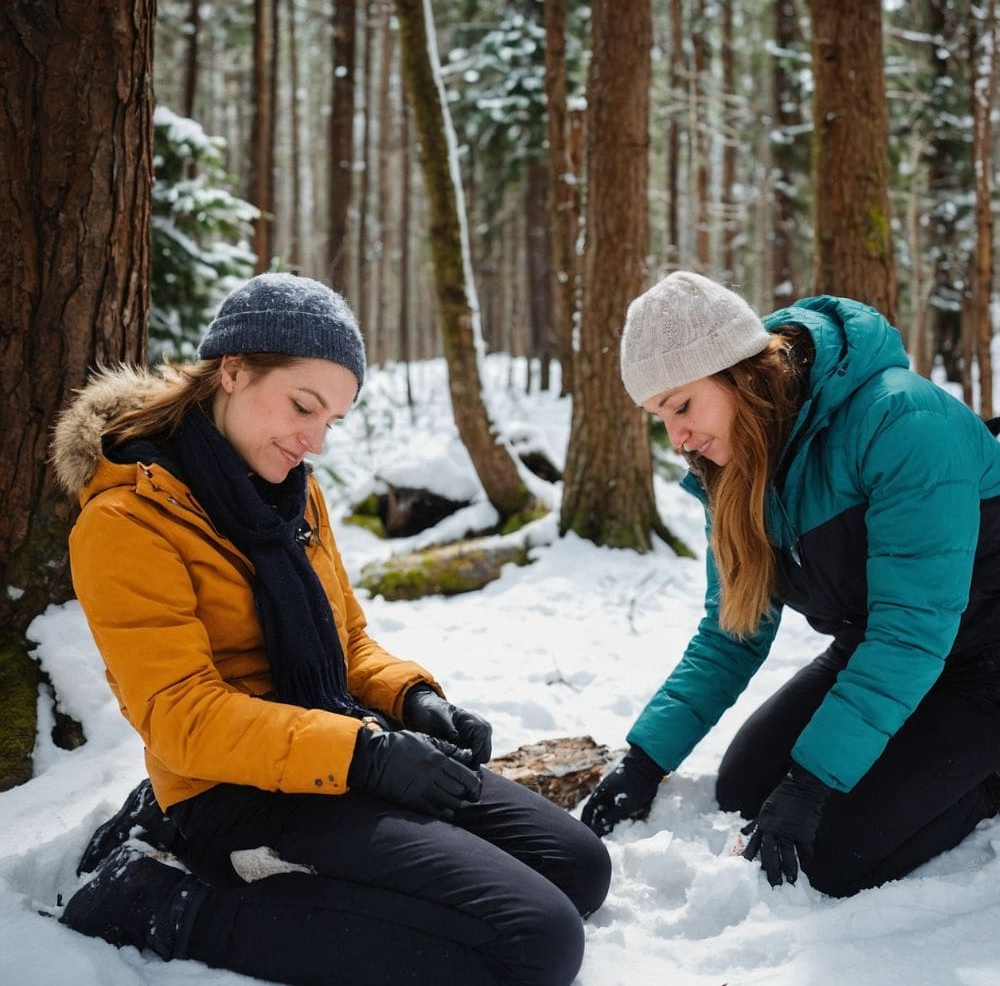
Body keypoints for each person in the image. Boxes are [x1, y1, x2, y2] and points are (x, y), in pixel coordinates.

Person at [53, 272, 610, 986]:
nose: (314, 442)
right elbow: (181, 718)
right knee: (537, 943)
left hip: (330, 742)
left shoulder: (294, 493)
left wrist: (413, 700)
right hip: (232, 789)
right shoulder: (126, 519)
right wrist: (368, 758)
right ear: (232, 370)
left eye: (331, 422)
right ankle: (162, 903)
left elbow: (346, 642)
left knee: (578, 867)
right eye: (303, 406)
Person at [581, 270, 1000, 898]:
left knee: (827, 855)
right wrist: (645, 761)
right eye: (658, 418)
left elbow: (911, 631)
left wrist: (812, 784)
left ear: (738, 372)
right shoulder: (738, 459)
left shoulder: (900, 420)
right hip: (880, 650)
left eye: (682, 406)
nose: (678, 438)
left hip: (981, 662)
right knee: (744, 787)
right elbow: (732, 633)